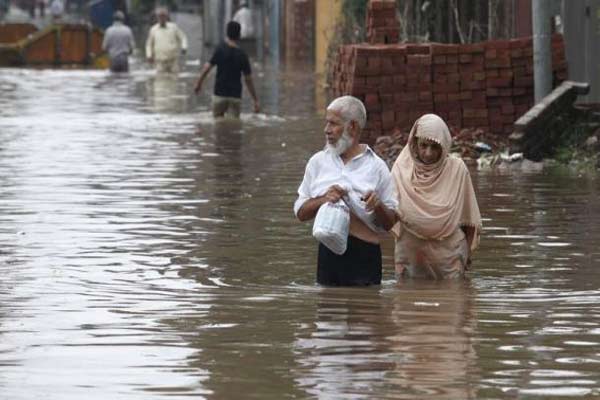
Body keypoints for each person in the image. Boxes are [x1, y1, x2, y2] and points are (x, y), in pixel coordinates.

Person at [294, 95, 398, 286]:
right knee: (327, 309)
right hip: (327, 253)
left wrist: (378, 205)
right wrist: (324, 199)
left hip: (364, 254)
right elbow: (300, 213)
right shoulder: (318, 162)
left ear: (352, 127)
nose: (326, 130)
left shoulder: (377, 167)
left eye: (333, 124)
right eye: (327, 123)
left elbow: (391, 224)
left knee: (366, 311)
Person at [391, 113, 482, 280]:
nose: (427, 153)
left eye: (435, 147)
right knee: (406, 302)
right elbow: (390, 216)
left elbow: (468, 218)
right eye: (423, 145)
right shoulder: (401, 169)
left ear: (445, 146)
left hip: (449, 257)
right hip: (410, 256)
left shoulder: (457, 170)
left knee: (452, 301)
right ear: (414, 143)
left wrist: (467, 253)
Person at [193, 20, 259, 118]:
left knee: (218, 125)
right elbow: (248, 79)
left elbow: (207, 68)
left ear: (227, 33)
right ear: (239, 35)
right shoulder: (243, 55)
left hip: (219, 95)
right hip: (235, 96)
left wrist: (199, 84)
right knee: (234, 127)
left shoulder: (220, 50)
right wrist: (255, 99)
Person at [145, 7, 188, 74]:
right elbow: (149, 44)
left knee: (174, 78)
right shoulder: (153, 29)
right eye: (160, 16)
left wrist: (184, 47)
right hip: (160, 61)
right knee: (160, 79)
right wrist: (149, 55)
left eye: (163, 16)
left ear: (166, 17)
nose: (162, 18)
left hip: (173, 60)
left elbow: (183, 37)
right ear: (157, 18)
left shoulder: (173, 27)